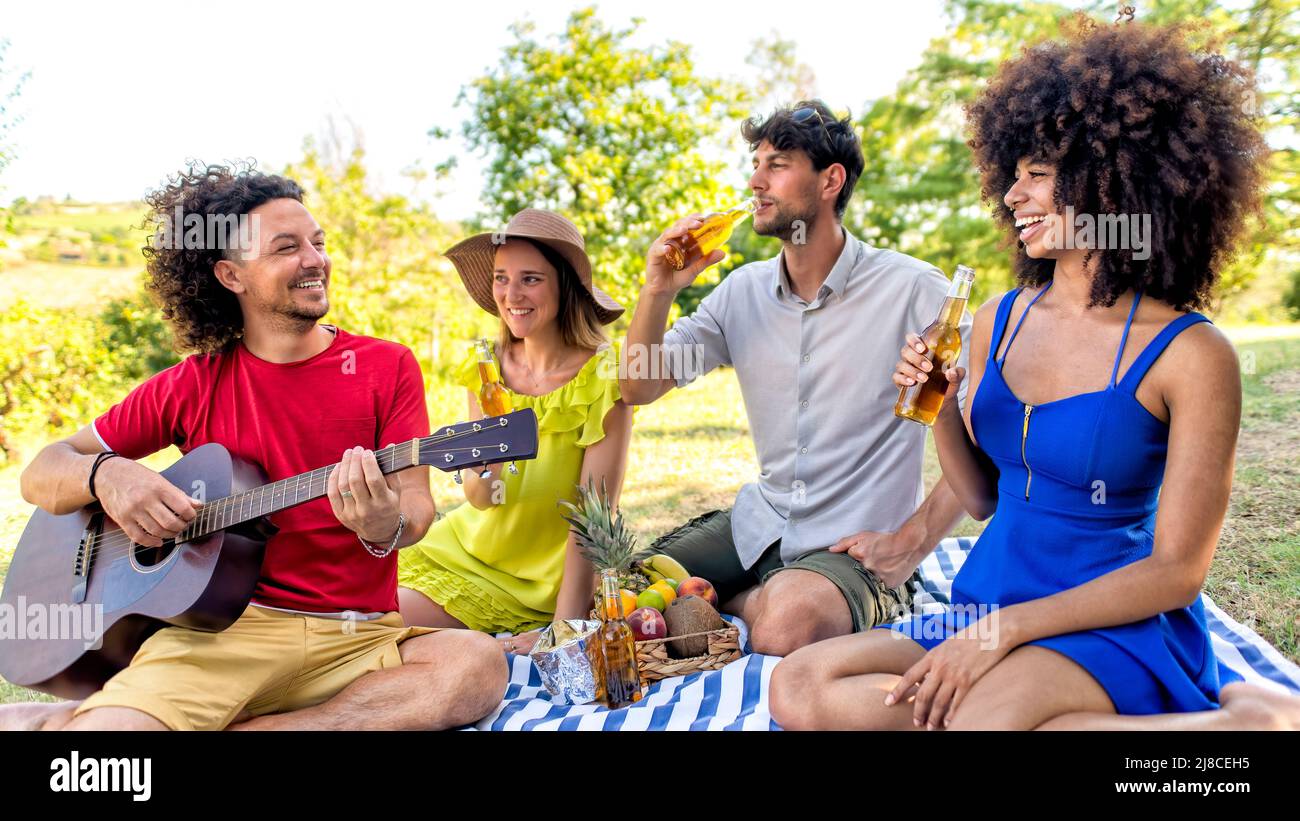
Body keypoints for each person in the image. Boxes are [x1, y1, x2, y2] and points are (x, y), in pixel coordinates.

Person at [769, 16, 1300, 731]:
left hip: (1110, 621)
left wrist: (1006, 635)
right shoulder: (996, 318)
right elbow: (985, 499)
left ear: (1116, 181)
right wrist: (944, 409)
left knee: (980, 720)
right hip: (990, 598)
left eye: (1038, 176)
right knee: (800, 684)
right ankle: (1223, 725)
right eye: (1011, 177)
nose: (1011, 198)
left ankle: (1237, 730)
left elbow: (1178, 570)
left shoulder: (1192, 354)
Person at [0, 163, 506, 731]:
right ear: (231, 275)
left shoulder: (386, 366)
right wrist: (110, 477)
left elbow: (415, 513)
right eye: (286, 248)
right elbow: (42, 471)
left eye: (318, 243)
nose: (315, 260)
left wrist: (381, 524)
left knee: (476, 664)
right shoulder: (193, 382)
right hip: (228, 635)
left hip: (359, 636)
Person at [620, 101, 970, 657]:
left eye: (777, 164)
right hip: (763, 526)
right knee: (620, 592)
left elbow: (989, 430)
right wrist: (658, 289)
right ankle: (752, 593)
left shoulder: (914, 289)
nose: (755, 181)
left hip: (855, 547)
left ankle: (733, 601)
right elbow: (638, 385)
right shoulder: (741, 292)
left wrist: (913, 542)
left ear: (831, 180)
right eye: (755, 163)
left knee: (787, 628)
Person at [397, 209, 633, 657]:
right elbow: (481, 497)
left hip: (546, 578)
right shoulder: (487, 368)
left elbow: (595, 514)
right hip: (467, 553)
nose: (511, 295)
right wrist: (488, 472)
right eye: (502, 278)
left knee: (398, 628)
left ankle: (488, 647)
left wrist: (566, 628)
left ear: (565, 286)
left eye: (531, 279)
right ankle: (485, 645)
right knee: (368, 612)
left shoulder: (604, 376)